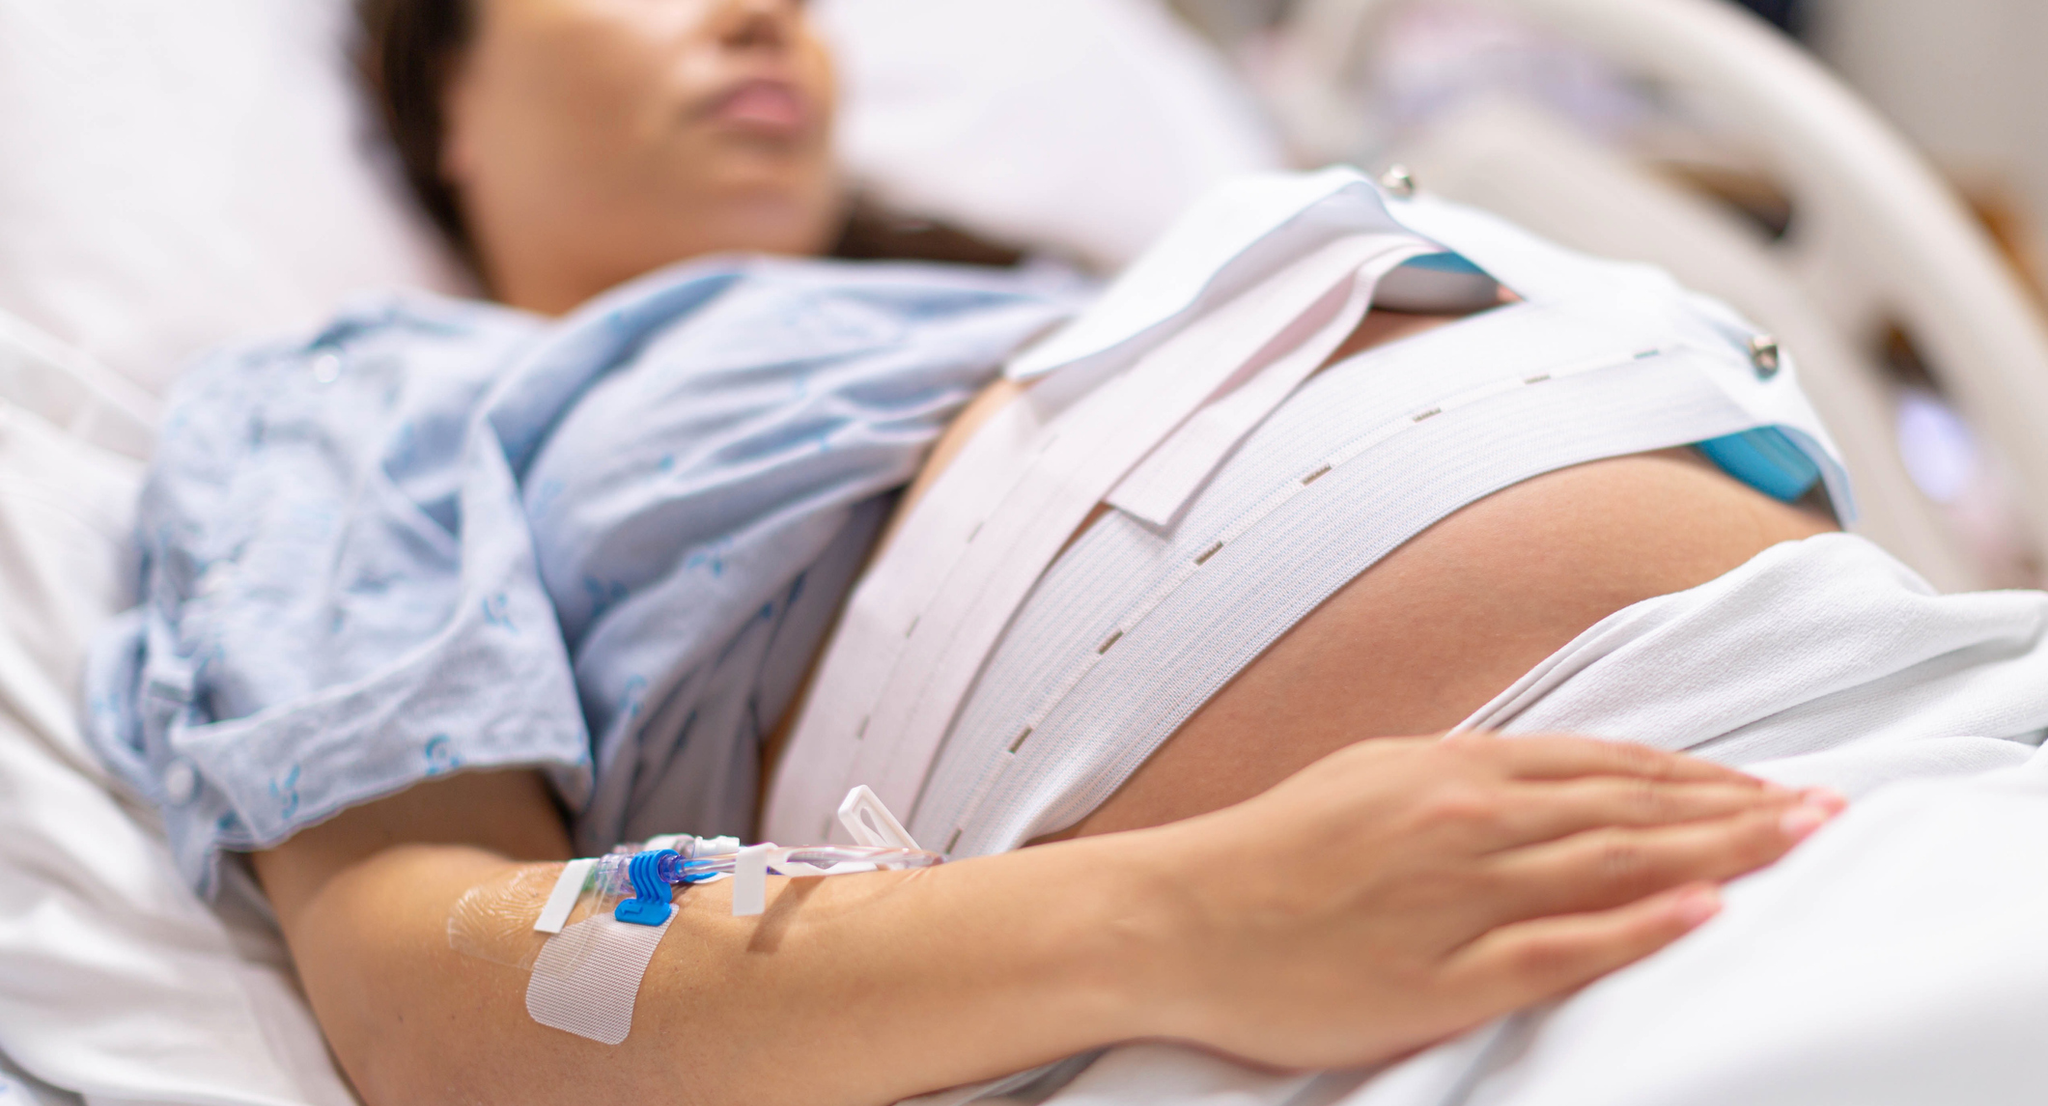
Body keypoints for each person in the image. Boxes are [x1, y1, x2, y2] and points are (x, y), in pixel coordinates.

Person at [84, 1, 1844, 1103]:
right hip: (1407, 957)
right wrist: (1188, 915)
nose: (769, 15)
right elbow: (428, 995)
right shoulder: (360, 397)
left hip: (1848, 689)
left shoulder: (1036, 298)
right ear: (444, 108)